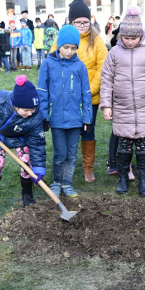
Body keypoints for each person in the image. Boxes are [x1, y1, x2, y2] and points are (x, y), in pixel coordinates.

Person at [100, 5, 145, 197]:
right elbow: (106, 80)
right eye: (125, 38)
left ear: (141, 35)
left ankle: (143, 180)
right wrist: (106, 105)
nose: (129, 42)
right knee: (124, 145)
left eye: (133, 38)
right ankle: (123, 178)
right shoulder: (113, 54)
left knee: (144, 146)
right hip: (122, 107)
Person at [51, 0, 108, 183]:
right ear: (70, 22)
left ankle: (88, 168)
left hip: (89, 98)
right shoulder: (62, 39)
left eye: (85, 21)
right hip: (65, 97)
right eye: (78, 22)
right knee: (67, 131)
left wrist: (88, 91)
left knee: (88, 131)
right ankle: (66, 166)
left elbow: (102, 70)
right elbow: (52, 64)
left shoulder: (97, 41)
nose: (82, 25)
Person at [0, 75, 46, 207]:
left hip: (20, 137)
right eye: (26, 110)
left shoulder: (35, 118)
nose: (30, 113)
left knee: (26, 165)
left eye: (33, 109)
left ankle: (27, 193)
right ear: (16, 106)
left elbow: (37, 144)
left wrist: (38, 168)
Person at [38, 25, 92, 198]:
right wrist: (44, 116)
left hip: (75, 120)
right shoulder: (47, 64)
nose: (69, 51)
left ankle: (67, 183)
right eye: (66, 47)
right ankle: (56, 181)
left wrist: (87, 119)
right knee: (60, 153)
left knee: (72, 154)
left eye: (73, 48)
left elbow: (86, 94)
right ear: (59, 45)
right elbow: (42, 92)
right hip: (56, 120)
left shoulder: (80, 67)